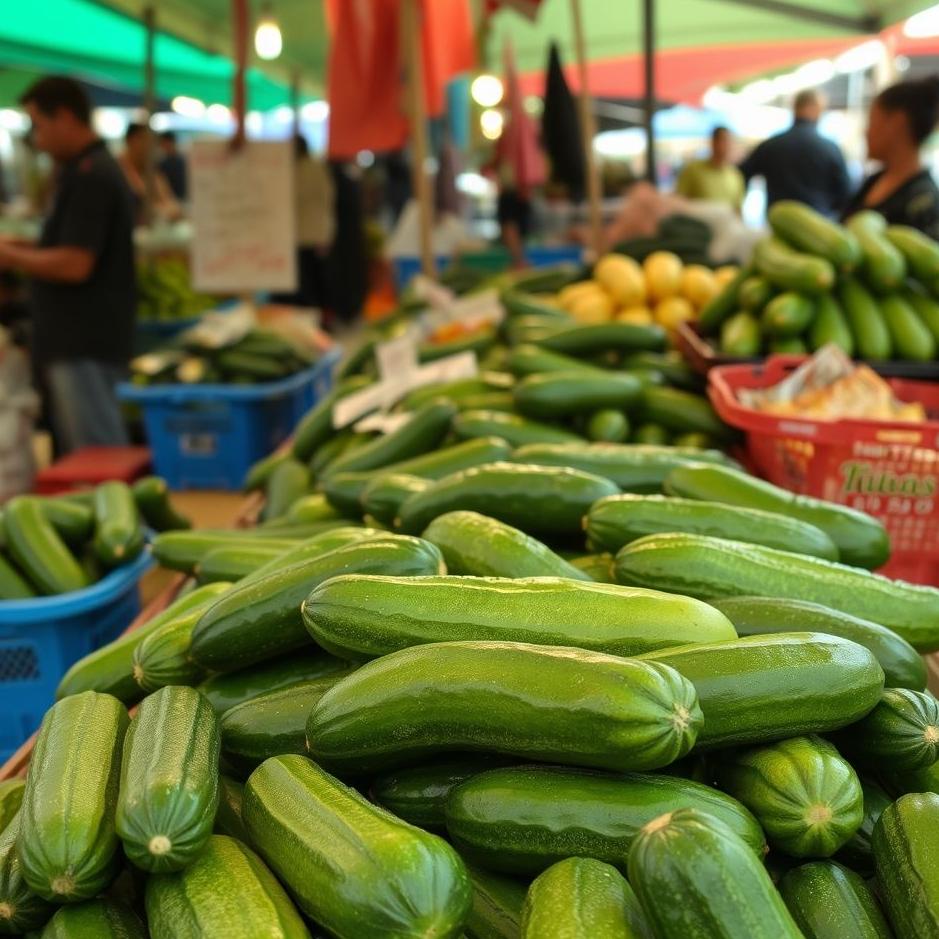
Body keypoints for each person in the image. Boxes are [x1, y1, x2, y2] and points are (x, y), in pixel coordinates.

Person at [0, 76, 135, 453]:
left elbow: (76, 263)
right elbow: (70, 243)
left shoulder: (93, 175)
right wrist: (21, 245)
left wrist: (10, 257)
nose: (37, 139)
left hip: (84, 342)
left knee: (97, 453)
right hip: (81, 340)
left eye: (38, 125)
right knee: (89, 450)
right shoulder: (83, 170)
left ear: (64, 116)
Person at [842, 77, 939, 238]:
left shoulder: (924, 202)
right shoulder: (873, 180)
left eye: (872, 121)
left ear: (896, 123)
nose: (866, 132)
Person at [740, 90, 851, 217]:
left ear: (795, 107)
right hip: (818, 221)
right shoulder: (831, 149)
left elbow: (742, 175)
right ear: (815, 108)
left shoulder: (771, 145)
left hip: (777, 221)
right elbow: (845, 193)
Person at [273, 133, 335, 311]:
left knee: (304, 283)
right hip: (310, 234)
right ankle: (314, 313)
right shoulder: (315, 168)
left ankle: (310, 313)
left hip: (299, 235)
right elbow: (328, 198)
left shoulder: (292, 169)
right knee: (311, 282)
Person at [118, 123, 181, 224]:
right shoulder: (119, 170)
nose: (147, 146)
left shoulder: (151, 171)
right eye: (142, 139)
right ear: (129, 140)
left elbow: (169, 202)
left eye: (150, 142)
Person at [675, 127, 745, 211]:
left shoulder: (736, 175)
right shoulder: (693, 169)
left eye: (729, 142)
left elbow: (737, 209)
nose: (727, 146)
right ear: (713, 142)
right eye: (723, 141)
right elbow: (678, 200)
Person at [158, 130, 187, 202]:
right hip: (170, 200)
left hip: (182, 198)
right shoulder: (162, 163)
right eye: (163, 144)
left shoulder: (182, 161)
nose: (165, 146)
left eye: (166, 143)